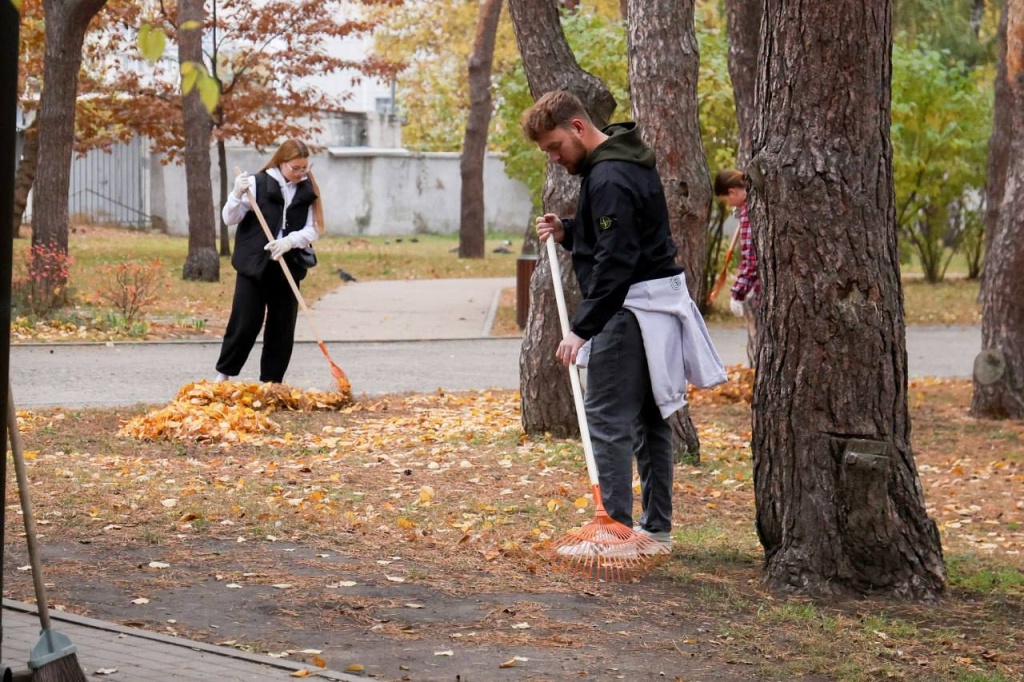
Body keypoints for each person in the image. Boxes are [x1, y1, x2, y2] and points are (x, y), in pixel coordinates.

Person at [521, 90, 725, 553]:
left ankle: (613, 534)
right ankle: (655, 530)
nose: (554, 158)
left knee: (608, 417)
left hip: (629, 311)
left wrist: (581, 327)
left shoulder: (609, 174)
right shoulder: (623, 160)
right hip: (652, 303)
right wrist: (570, 230)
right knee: (651, 415)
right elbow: (625, 235)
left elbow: (618, 259)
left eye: (555, 146)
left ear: (577, 127)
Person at [214, 138, 323, 384]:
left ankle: (271, 382)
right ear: (281, 162)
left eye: (304, 168)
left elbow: (312, 229)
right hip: (254, 266)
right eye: (295, 168)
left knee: (282, 327)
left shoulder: (307, 190)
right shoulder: (256, 183)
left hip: (288, 267)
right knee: (244, 322)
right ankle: (224, 375)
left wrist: (289, 242)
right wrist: (235, 194)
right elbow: (229, 218)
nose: (300, 173)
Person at [713, 169, 759, 368]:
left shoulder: (749, 213)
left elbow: (751, 259)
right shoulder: (749, 208)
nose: (728, 203)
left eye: (726, 199)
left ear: (733, 192)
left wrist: (737, 292)